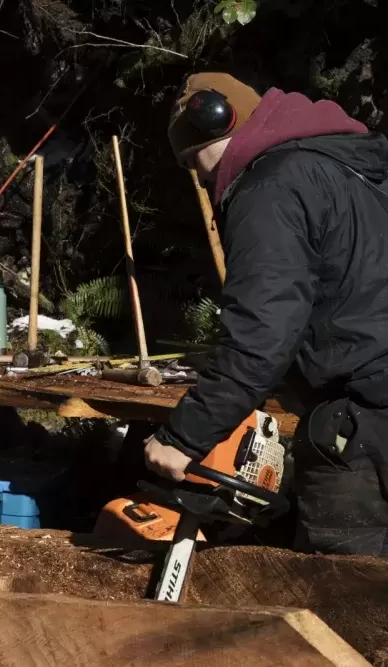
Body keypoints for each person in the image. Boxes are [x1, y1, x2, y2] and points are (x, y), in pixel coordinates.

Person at [146, 71, 388, 556]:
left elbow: (264, 328)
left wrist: (183, 436)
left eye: (196, 161)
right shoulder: (351, 166)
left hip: (359, 421)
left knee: (343, 606)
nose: (203, 177)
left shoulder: (269, 186)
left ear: (213, 121)